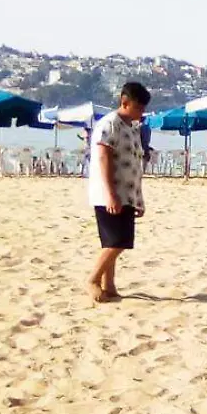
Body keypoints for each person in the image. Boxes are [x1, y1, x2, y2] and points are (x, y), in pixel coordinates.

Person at [87, 82, 151, 304]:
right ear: (125, 102)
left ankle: (110, 286)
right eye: (138, 108)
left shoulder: (133, 128)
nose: (141, 113)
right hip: (110, 193)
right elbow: (103, 158)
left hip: (128, 193)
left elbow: (135, 164)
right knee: (118, 241)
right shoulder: (109, 125)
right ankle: (93, 279)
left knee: (113, 241)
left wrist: (139, 199)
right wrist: (110, 193)